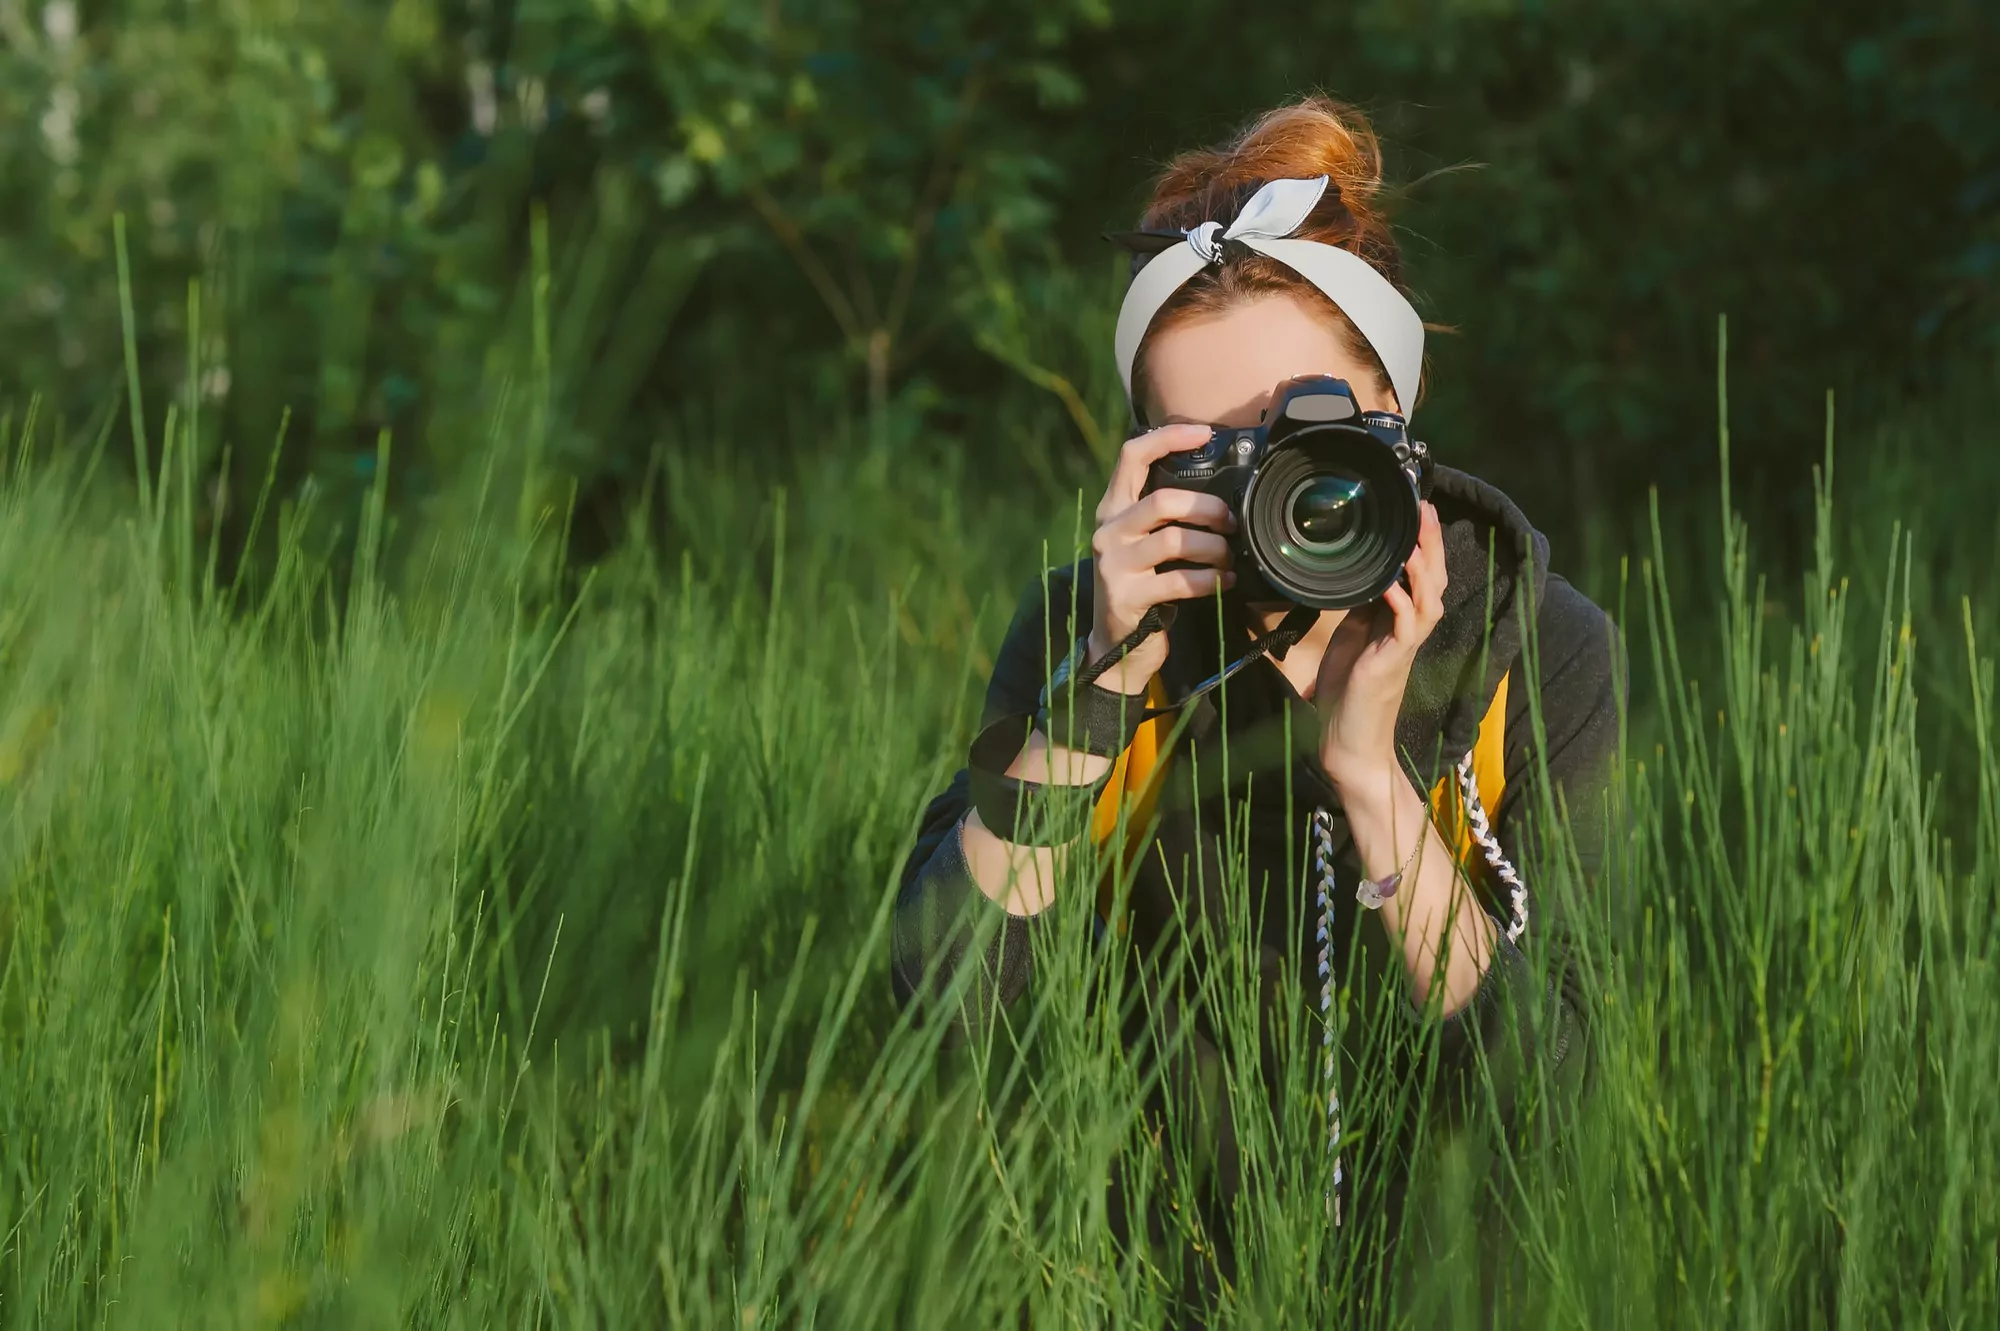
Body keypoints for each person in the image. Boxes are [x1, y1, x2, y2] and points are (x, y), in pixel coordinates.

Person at [890, 96, 1622, 1315]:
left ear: (1400, 409)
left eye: (1311, 428)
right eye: (1212, 452)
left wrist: (1374, 780)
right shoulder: (1098, 635)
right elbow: (942, 1013)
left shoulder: (1533, 645)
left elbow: (1554, 1101)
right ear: (1145, 461)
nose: (1279, 487)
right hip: (1143, 1282)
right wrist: (1104, 683)